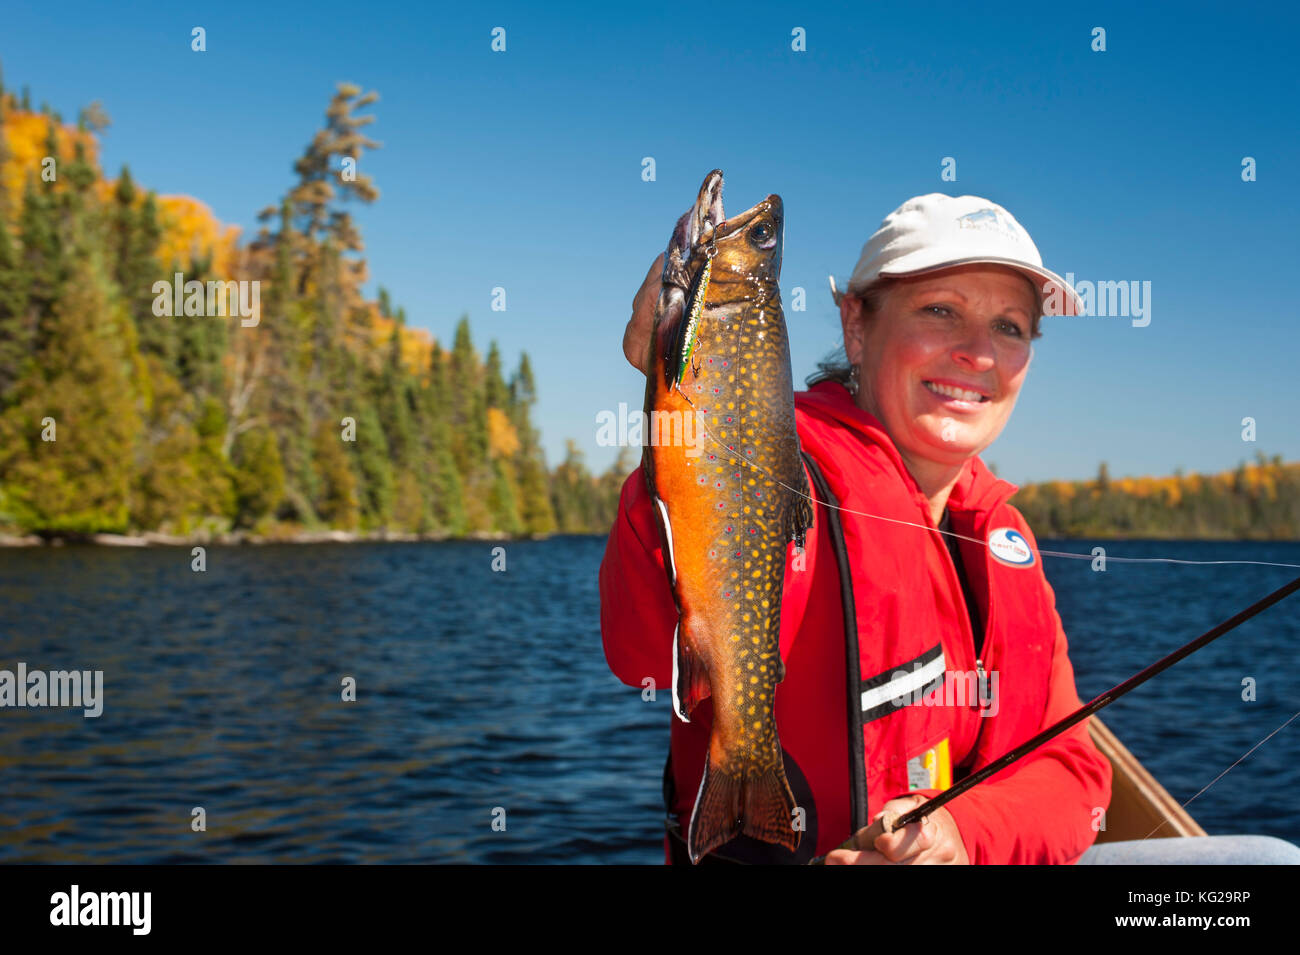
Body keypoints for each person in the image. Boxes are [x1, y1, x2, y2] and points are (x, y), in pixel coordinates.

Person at [600, 193, 1300, 865]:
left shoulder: (998, 533)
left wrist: (965, 835)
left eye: (1011, 327)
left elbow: (1074, 774)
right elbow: (642, 649)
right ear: (855, 325)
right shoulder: (780, 469)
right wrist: (676, 414)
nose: (978, 352)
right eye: (940, 310)